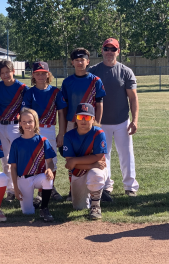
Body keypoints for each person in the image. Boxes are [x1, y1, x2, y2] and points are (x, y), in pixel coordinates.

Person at [88, 38, 139, 197]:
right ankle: (106, 185)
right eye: (106, 49)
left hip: (121, 121)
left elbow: (133, 98)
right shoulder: (93, 71)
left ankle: (130, 186)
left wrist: (135, 120)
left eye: (113, 49)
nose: (109, 52)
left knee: (126, 154)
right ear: (102, 50)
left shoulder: (125, 71)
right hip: (100, 122)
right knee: (104, 155)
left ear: (118, 51)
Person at [61, 48, 106, 201]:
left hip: (90, 123)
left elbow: (99, 103)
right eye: (77, 60)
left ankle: (98, 188)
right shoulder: (67, 82)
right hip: (72, 122)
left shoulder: (95, 81)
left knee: (96, 156)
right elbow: (64, 106)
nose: (80, 62)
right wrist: (63, 129)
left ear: (88, 61)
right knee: (71, 157)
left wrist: (97, 123)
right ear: (72, 62)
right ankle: (72, 189)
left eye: (83, 59)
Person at [22, 61, 67, 202]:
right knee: (35, 160)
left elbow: (61, 113)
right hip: (33, 130)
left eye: (43, 73)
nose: (41, 76)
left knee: (51, 159)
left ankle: (50, 188)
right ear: (33, 75)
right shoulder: (30, 92)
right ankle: (39, 191)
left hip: (49, 129)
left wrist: (61, 133)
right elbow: (25, 114)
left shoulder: (55, 92)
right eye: (37, 73)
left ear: (48, 74)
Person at [9, 108, 55, 222]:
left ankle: (44, 208)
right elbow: (13, 168)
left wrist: (49, 169)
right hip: (23, 179)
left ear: (35, 122)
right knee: (27, 212)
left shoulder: (43, 140)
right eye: (23, 122)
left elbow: (50, 162)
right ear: (20, 124)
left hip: (39, 176)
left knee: (47, 178)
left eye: (30, 121)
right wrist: (15, 188)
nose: (27, 124)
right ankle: (33, 205)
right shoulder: (16, 143)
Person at [0, 60, 29, 202]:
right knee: (5, 160)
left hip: (15, 125)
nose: (5, 75)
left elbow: (24, 109)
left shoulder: (22, 88)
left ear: (13, 71)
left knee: (18, 159)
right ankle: (11, 190)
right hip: (0, 124)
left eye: (8, 72)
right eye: (2, 73)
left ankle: (21, 188)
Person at [63, 103, 108, 220]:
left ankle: (95, 205)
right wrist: (92, 164)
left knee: (96, 174)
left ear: (93, 119)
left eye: (87, 117)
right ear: (76, 119)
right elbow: (69, 163)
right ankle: (90, 194)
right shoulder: (68, 136)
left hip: (95, 168)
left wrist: (76, 161)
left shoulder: (98, 133)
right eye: (80, 117)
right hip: (79, 171)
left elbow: (98, 156)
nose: (83, 120)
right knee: (79, 207)